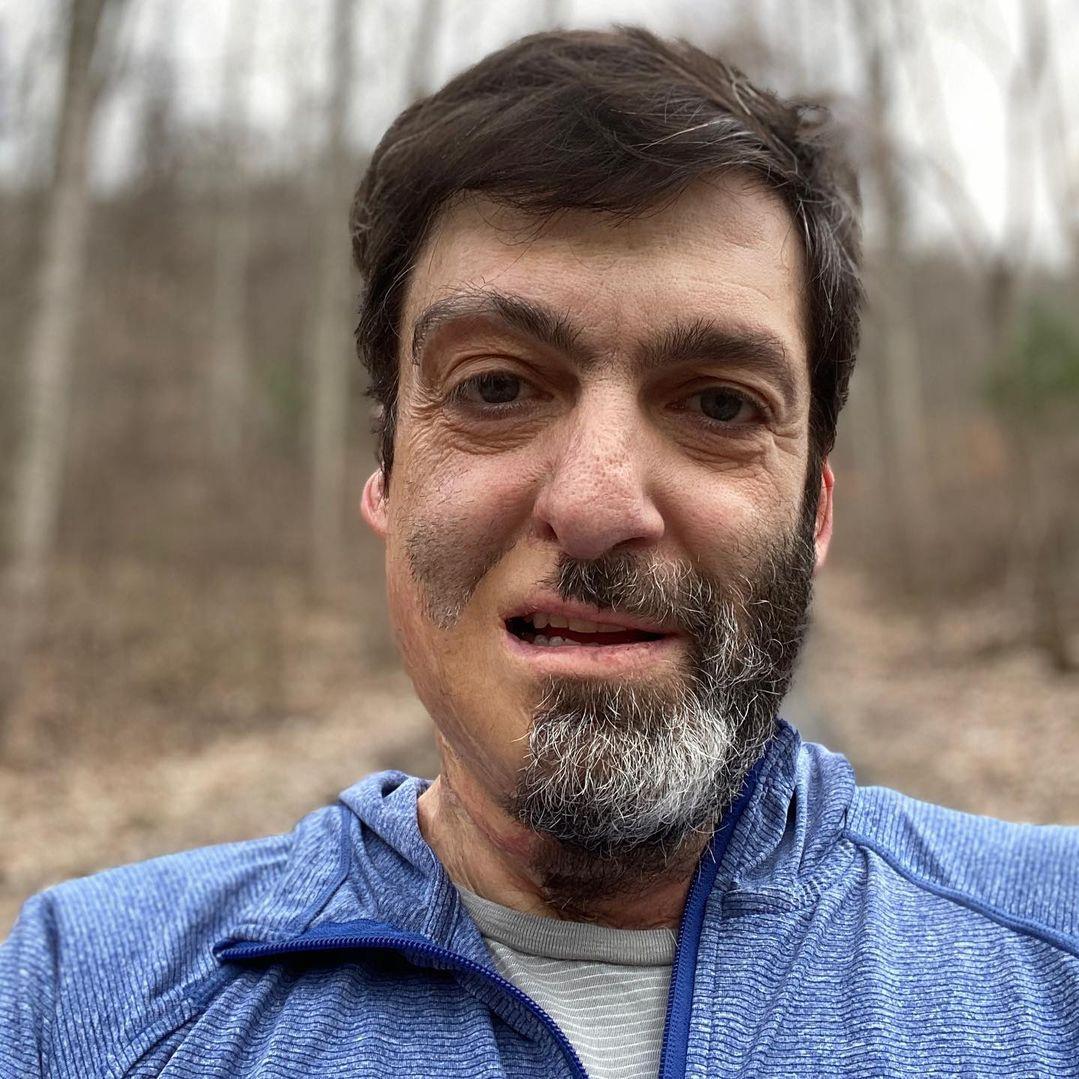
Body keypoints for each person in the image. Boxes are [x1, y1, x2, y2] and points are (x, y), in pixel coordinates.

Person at [2, 26, 1077, 1079]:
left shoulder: (1055, 958)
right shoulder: (79, 999)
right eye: (495, 388)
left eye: (716, 402)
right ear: (385, 479)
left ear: (814, 511)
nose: (597, 501)